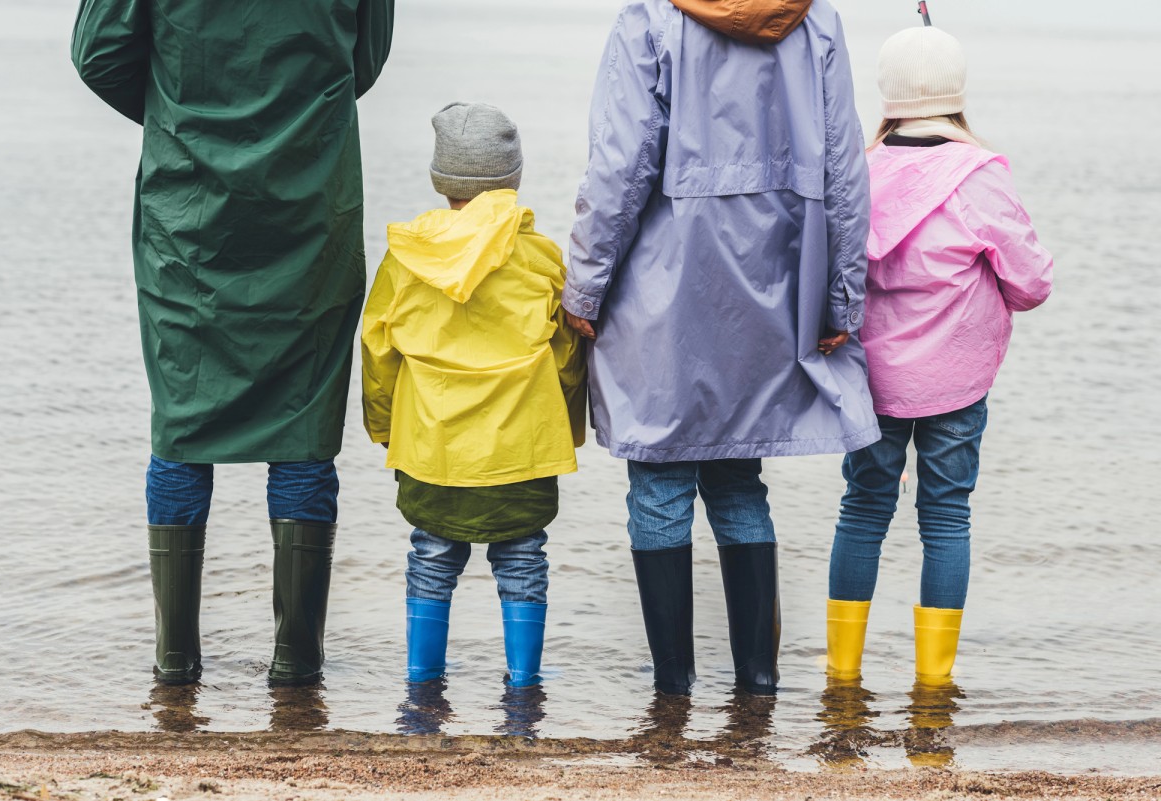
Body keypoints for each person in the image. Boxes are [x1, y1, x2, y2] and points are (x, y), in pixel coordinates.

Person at [70, 0, 396, 685]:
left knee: (183, 422)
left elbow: (98, 54)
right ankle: (297, 664)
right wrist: (287, 117)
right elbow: (364, 58)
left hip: (187, 207)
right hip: (310, 198)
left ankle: (175, 662)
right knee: (304, 428)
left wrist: (187, 112)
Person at [564, 0, 879, 696]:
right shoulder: (815, 19)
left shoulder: (649, 19)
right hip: (772, 283)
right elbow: (846, 173)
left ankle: (672, 690)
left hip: (665, 284)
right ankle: (758, 685)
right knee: (739, 479)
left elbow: (618, 166)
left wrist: (583, 286)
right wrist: (842, 294)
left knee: (659, 479)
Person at [824, 25, 1054, 685]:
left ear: (888, 94)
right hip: (957, 380)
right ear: (957, 94)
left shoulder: (857, 174)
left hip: (872, 381)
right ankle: (934, 679)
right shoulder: (980, 178)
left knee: (862, 507)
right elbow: (1032, 283)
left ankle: (842, 671)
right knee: (947, 515)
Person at [361, 102, 586, 689]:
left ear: (443, 180)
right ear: (512, 177)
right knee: (522, 559)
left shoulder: (407, 256)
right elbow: (566, 355)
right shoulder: (540, 257)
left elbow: (378, 347)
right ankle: (524, 684)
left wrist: (385, 425)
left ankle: (422, 682)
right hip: (522, 443)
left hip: (431, 442)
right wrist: (568, 425)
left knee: (431, 558)